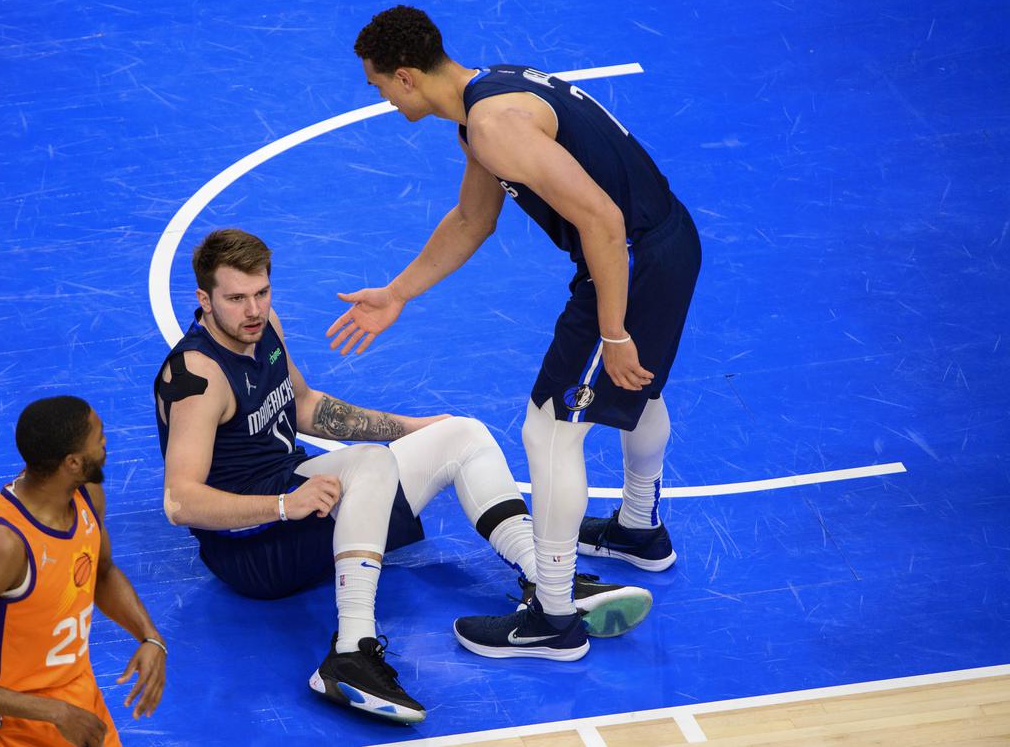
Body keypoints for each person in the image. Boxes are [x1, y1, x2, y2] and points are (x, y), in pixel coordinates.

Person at [154, 228, 652, 723]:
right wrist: (286, 506)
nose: (254, 310)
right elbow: (180, 503)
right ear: (204, 298)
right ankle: (351, 652)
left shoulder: (264, 331)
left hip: (298, 493)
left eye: (261, 293)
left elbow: (303, 404)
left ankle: (549, 586)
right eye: (237, 299)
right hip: (252, 548)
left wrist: (414, 428)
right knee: (368, 462)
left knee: (463, 433)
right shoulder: (198, 377)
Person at [331, 6, 701, 660]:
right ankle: (638, 528)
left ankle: (553, 617)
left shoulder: (494, 124)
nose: (381, 97)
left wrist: (613, 331)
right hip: (658, 246)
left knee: (550, 427)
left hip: (629, 256)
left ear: (408, 77)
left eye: (379, 84)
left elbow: (603, 220)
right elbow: (473, 219)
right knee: (636, 391)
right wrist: (397, 293)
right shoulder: (485, 106)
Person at [0, 396, 167, 746]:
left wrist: (149, 636)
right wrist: (54, 712)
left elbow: (102, 571)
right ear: (73, 462)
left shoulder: (88, 495)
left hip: (77, 703)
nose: (106, 442)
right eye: (99, 436)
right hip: (11, 725)